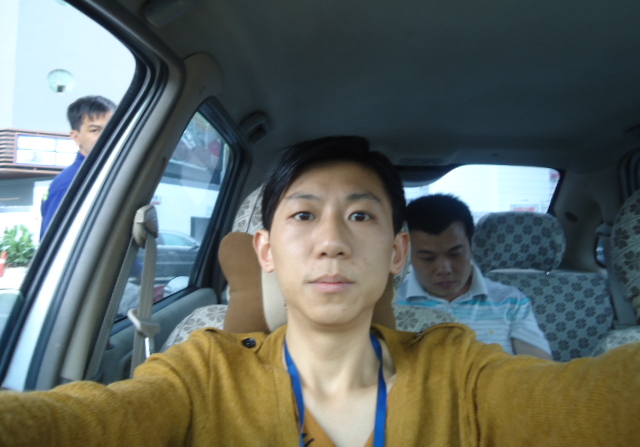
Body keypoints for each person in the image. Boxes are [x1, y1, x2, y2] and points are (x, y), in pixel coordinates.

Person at [1, 136, 639, 446]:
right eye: (304, 215)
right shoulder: (204, 372)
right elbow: (83, 423)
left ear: (395, 254)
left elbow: (591, 401)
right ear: (266, 252)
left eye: (360, 215)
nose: (332, 241)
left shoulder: (459, 369)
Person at [396, 194, 553, 359]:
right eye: (428, 258)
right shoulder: (392, 305)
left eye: (456, 254)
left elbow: (540, 368)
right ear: (407, 253)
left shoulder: (510, 302)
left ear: (471, 246)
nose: (444, 269)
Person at [40, 95, 116, 238]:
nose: (107, 136)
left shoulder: (110, 173)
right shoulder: (70, 183)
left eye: (112, 128)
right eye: (95, 130)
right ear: (76, 137)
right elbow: (56, 240)